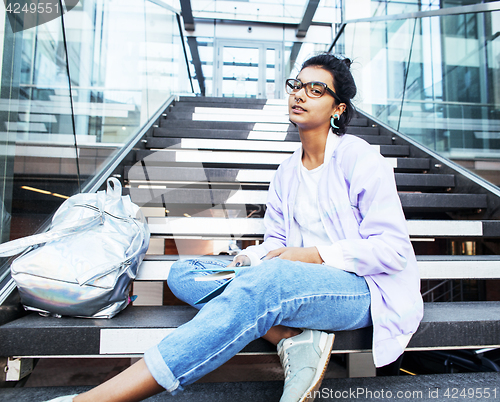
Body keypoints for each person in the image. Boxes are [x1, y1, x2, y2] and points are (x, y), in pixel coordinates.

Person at [46, 53, 423, 402]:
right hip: (294, 281)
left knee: (270, 281)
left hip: (361, 290)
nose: (300, 95)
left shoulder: (360, 159)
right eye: (297, 85)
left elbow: (392, 249)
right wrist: (250, 257)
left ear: (337, 108)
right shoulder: (286, 173)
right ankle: (290, 338)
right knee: (185, 272)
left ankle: (93, 399)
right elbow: (275, 243)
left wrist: (312, 255)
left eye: (316, 89)